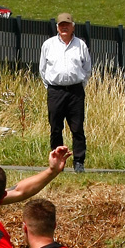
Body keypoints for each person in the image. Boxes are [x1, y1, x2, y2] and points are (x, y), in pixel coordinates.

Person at [40, 13, 92, 173]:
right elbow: (42, 70)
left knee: (77, 128)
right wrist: (51, 87)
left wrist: (79, 85)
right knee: (55, 127)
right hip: (56, 91)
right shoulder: (48, 45)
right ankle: (57, 163)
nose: (64, 27)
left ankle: (79, 162)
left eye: (67, 25)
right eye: (61, 25)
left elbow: (87, 69)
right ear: (57, 27)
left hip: (75, 92)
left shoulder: (81, 45)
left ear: (73, 27)